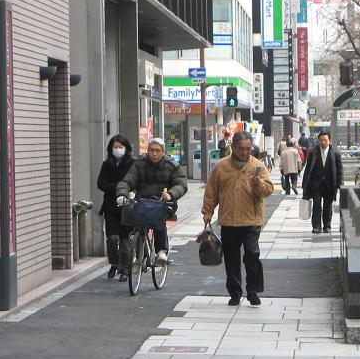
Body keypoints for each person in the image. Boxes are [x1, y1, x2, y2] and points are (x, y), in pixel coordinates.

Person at [201, 131, 274, 306]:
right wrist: (207, 211)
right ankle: (235, 293)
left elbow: (268, 190)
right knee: (231, 258)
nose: (245, 152)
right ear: (233, 147)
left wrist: (258, 184)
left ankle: (252, 290)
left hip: (251, 220)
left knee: (252, 254)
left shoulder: (258, 166)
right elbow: (211, 192)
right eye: (241, 148)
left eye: (248, 148)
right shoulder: (221, 166)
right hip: (229, 220)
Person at [115, 138, 188, 265]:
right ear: (147, 150)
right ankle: (138, 250)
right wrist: (122, 194)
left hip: (163, 202)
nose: (154, 153)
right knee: (134, 220)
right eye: (151, 150)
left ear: (163, 152)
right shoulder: (139, 164)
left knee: (158, 221)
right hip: (142, 201)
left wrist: (171, 194)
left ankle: (161, 251)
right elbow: (127, 181)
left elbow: (181, 184)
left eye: (157, 150)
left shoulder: (172, 166)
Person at [97, 135, 135, 282]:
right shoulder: (107, 165)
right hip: (110, 206)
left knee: (125, 239)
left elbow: (133, 183)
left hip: (127, 206)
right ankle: (114, 263)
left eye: (120, 147)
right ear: (110, 149)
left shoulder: (132, 164)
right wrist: (119, 186)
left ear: (126, 148)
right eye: (115, 147)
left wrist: (115, 186)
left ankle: (125, 269)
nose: (118, 150)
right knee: (112, 238)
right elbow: (101, 184)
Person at [301, 132, 344, 234]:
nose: (323, 142)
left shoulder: (335, 153)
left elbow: (340, 170)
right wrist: (305, 184)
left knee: (327, 206)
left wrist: (340, 184)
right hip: (316, 184)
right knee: (316, 205)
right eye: (321, 140)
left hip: (330, 184)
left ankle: (327, 226)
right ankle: (316, 226)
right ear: (318, 141)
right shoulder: (313, 152)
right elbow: (308, 169)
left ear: (329, 141)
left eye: (325, 140)